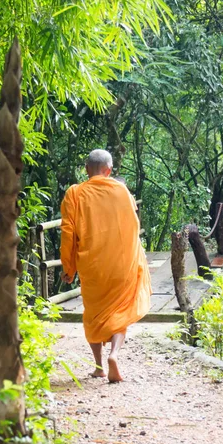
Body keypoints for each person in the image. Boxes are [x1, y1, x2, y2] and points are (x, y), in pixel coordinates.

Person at [60, 149, 151, 382]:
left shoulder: (75, 193)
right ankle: (115, 354)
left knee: (93, 314)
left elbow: (68, 233)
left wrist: (68, 268)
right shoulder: (122, 190)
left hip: (92, 266)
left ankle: (99, 366)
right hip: (122, 264)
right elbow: (133, 226)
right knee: (120, 309)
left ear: (86, 169)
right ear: (109, 170)